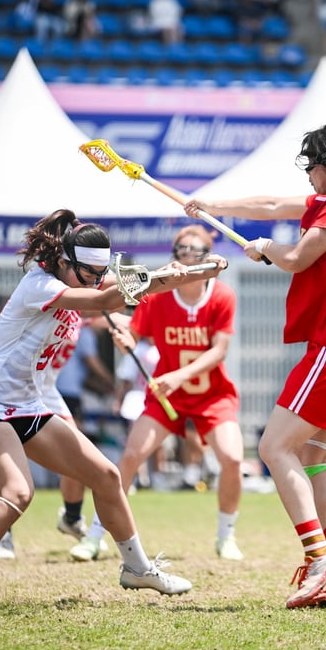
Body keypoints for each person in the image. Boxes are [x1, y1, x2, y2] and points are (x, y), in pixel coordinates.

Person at [0, 210, 224, 610]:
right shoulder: (39, 284)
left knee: (106, 476)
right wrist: (161, 278)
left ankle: (136, 568)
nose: (92, 279)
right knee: (18, 492)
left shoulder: (80, 275)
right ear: (64, 261)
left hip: (28, 404)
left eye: (97, 273)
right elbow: (105, 297)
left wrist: (187, 275)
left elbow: (118, 289)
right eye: (86, 273)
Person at [184, 123, 326, 609]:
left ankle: (318, 559)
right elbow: (275, 205)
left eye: (316, 170)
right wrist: (213, 207)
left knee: (274, 447)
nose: (311, 180)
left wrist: (264, 248)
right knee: (313, 455)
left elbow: (298, 259)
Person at [69, 225, 246, 563]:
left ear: (207, 256)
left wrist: (177, 376)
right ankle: (94, 535)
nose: (186, 255)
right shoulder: (160, 294)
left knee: (233, 459)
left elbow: (219, 351)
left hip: (211, 395)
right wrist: (126, 342)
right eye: (181, 249)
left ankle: (227, 536)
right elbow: (135, 334)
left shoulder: (222, 296)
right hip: (167, 396)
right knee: (131, 456)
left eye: (194, 250)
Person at [0, 322, 114, 561]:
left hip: (46, 389)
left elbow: (99, 309)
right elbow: (98, 301)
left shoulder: (79, 309)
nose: (92, 282)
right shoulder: (45, 292)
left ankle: (71, 517)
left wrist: (133, 320)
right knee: (9, 459)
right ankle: (2, 533)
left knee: (78, 453)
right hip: (15, 386)